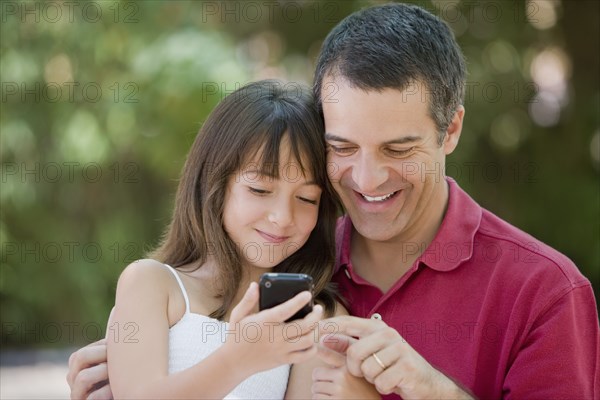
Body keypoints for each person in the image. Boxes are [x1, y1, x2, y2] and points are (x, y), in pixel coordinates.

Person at [68, 3, 600, 399]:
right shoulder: (300, 273)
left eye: (398, 148)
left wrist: (436, 391)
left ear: (451, 128)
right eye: (342, 147)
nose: (367, 179)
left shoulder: (545, 293)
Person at [78, 79, 364, 399]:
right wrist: (236, 360)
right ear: (214, 184)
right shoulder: (150, 284)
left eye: (307, 199)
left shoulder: (319, 315)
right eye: (259, 190)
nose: (283, 217)